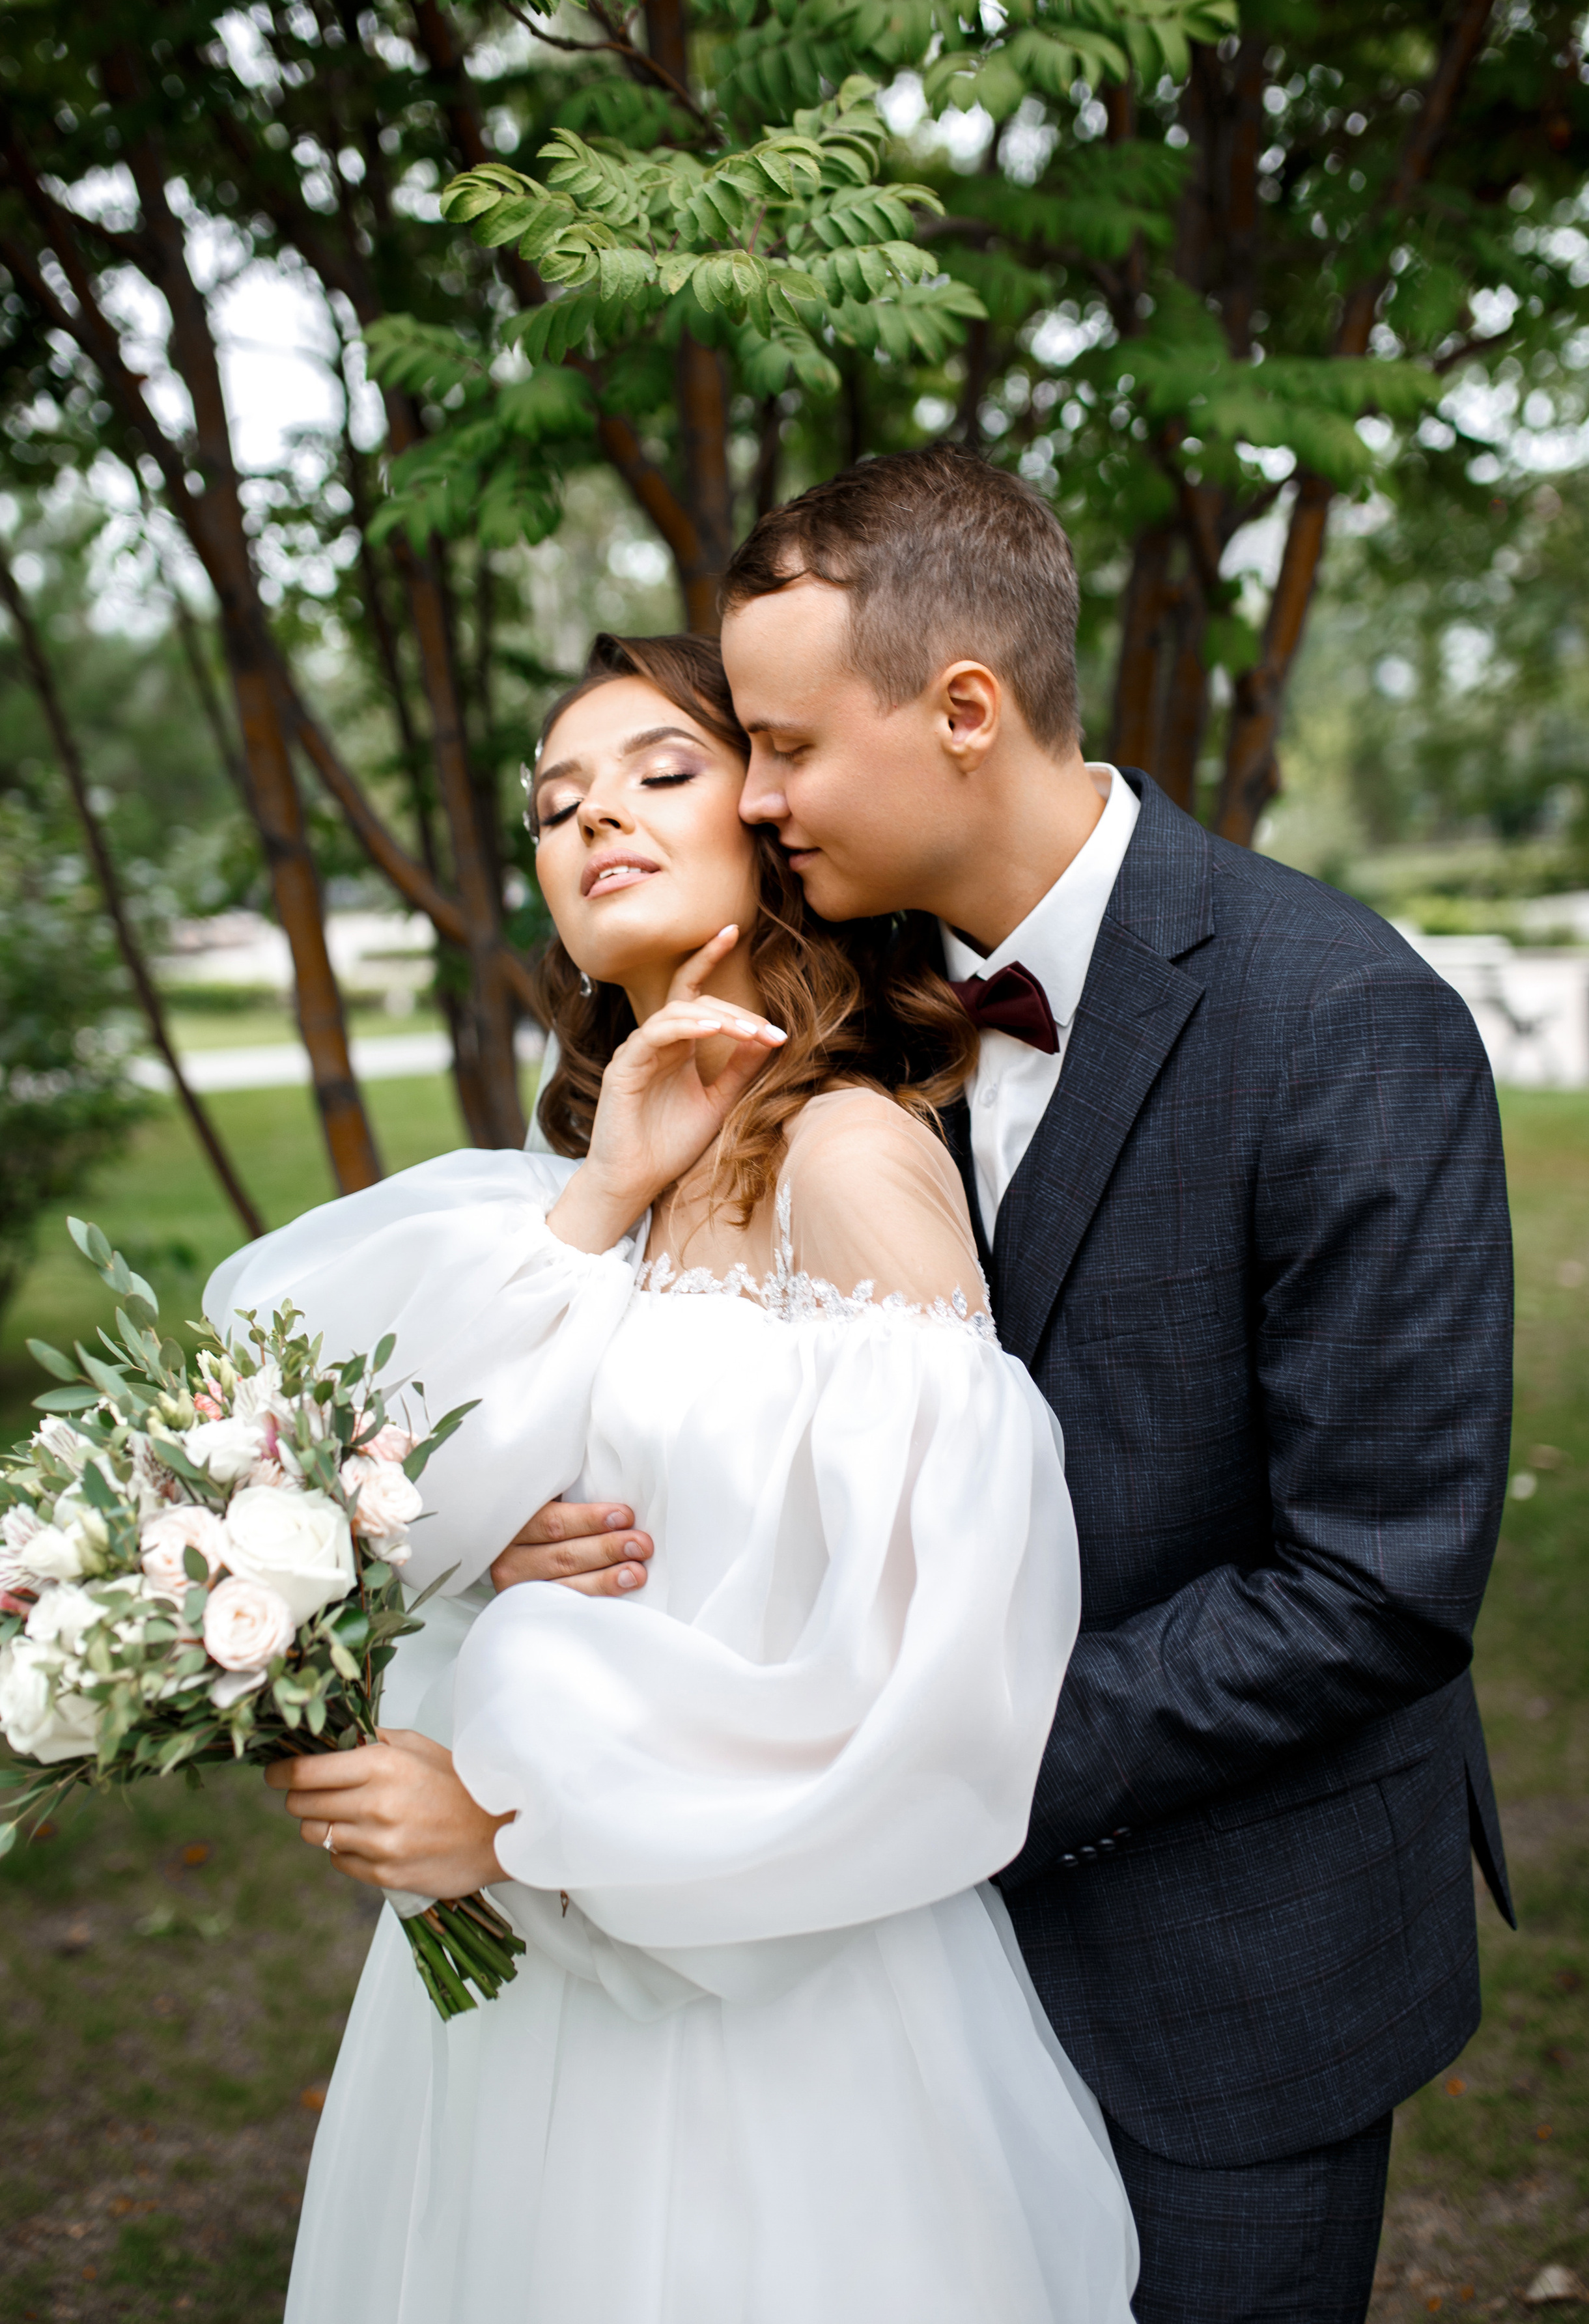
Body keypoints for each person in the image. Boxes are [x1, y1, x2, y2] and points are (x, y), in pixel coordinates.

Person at [492, 447, 1515, 2324]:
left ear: (965, 710)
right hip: (882, 1991)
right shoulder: (824, 1012)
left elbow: (1376, 1580)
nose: (759, 794)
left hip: (1233, 1970)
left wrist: (904, 1770)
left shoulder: (1342, 1021)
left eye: (786, 745)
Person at [205, 631, 1140, 2324]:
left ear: (773, 820)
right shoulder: (566, 1201)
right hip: (512, 2012)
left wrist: (511, 1825)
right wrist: (597, 1213)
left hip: (754, 2015)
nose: (592, 820)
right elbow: (384, 1496)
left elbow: (929, 1666)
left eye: (656, 772)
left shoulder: (851, 1160)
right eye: (557, 803)